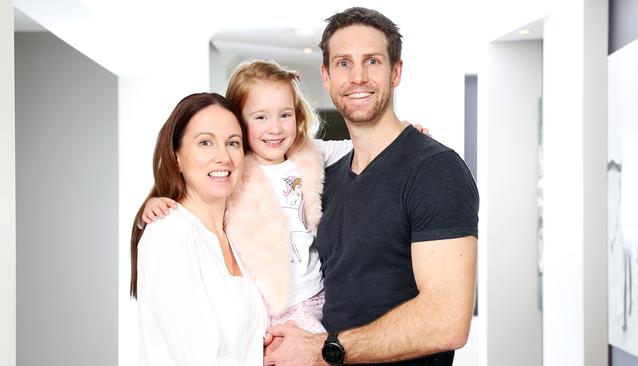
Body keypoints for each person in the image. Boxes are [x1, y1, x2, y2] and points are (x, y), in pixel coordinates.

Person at [263, 7, 479, 366]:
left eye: (373, 61)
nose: (358, 77)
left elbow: (447, 320)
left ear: (396, 71)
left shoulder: (434, 169)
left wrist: (323, 350)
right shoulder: (324, 176)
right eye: (344, 63)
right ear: (327, 76)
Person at [141, 60, 353, 333]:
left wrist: (401, 135)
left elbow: (360, 147)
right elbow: (192, 197)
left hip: (316, 295)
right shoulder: (235, 171)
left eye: (285, 115)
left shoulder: (308, 154)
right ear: (239, 123)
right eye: (261, 117)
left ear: (298, 116)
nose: (275, 128)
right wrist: (155, 201)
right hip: (268, 306)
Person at [130, 93, 267, 365]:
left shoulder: (236, 234)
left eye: (233, 143)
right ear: (176, 157)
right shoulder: (170, 233)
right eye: (205, 142)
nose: (223, 157)